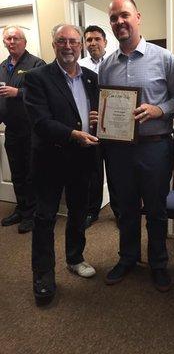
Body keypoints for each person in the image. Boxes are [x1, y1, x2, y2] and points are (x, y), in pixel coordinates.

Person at [95, 0, 174, 292]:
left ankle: (158, 263)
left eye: (125, 15)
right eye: (114, 18)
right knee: (126, 208)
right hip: (119, 149)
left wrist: (159, 110)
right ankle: (128, 258)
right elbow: (106, 102)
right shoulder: (106, 66)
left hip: (155, 147)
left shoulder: (164, 58)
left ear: (137, 17)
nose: (119, 22)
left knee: (156, 209)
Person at [23, 24, 99, 306]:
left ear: (80, 45)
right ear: (54, 44)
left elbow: (96, 114)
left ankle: (75, 258)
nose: (69, 46)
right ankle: (43, 275)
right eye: (62, 41)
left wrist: (97, 120)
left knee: (79, 212)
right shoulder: (36, 77)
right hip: (50, 160)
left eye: (73, 41)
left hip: (82, 159)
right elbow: (40, 122)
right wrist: (72, 134)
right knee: (45, 218)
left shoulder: (91, 78)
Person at [0, 25, 45, 233]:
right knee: (17, 172)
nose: (11, 42)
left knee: (31, 173)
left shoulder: (36, 64)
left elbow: (44, 95)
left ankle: (32, 214)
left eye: (15, 38)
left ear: (24, 42)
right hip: (11, 130)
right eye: (7, 39)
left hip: (31, 130)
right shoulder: (2, 66)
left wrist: (18, 92)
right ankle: (21, 208)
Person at [78, 25, 119, 227]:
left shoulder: (115, 63)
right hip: (90, 128)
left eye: (96, 39)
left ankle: (119, 211)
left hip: (113, 127)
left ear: (105, 41)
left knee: (115, 171)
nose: (92, 43)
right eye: (89, 40)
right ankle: (92, 211)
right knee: (93, 172)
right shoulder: (78, 65)